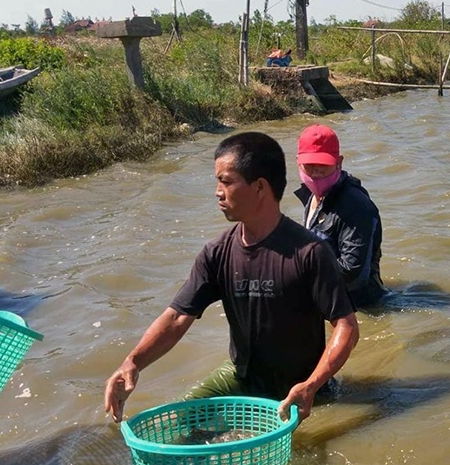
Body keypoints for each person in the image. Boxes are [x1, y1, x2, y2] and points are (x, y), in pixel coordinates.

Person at [104, 132, 359, 423]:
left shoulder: (310, 252)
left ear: (260, 187)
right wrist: (133, 362)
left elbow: (347, 327)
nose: (217, 191)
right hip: (241, 378)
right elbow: (177, 318)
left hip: (304, 391)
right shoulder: (217, 252)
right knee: (179, 423)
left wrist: (313, 384)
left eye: (226, 181)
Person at [293, 124, 386, 309]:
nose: (316, 172)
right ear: (298, 163)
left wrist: (296, 269)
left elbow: (352, 270)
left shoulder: (356, 205)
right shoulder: (313, 195)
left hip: (359, 306)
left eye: (323, 165)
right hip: (328, 298)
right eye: (310, 165)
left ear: (339, 162)